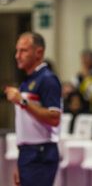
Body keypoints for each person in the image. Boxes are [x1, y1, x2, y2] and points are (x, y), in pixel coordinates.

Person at [5, 32, 62, 186]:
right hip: (28, 152)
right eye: (17, 51)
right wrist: (20, 161)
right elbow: (27, 127)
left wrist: (22, 101)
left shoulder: (48, 80)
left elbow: (54, 118)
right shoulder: (29, 81)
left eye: (23, 51)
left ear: (39, 52)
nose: (17, 56)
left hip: (40, 153)